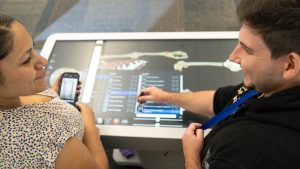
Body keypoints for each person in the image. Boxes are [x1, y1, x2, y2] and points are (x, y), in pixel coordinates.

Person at [138, 0, 300, 168]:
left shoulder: (248, 151)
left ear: (290, 65)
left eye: (247, 50)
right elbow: (220, 100)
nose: (232, 56)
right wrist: (165, 97)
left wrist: (191, 156)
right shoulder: (268, 85)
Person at [0, 14, 109, 169]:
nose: (43, 62)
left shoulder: (11, 93)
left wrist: (51, 96)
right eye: (26, 60)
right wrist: (90, 129)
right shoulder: (45, 139)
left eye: (33, 48)